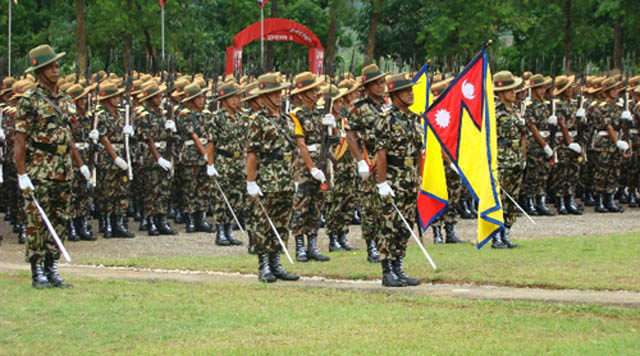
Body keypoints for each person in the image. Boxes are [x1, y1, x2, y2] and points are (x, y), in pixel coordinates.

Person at [15, 44, 92, 288]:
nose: (57, 70)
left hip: (63, 168)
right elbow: (20, 140)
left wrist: (80, 166)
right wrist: (22, 174)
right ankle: (37, 270)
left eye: (57, 65)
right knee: (37, 221)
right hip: (40, 169)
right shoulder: (29, 100)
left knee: (59, 219)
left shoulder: (66, 99)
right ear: (40, 71)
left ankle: (52, 267)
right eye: (51, 66)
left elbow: (69, 139)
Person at [246, 73, 299, 283]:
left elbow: (292, 150)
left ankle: (276, 262)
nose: (278, 96)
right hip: (267, 177)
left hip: (285, 177)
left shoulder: (286, 120)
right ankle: (264, 265)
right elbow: (252, 153)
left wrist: (294, 174)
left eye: (279, 92)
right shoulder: (257, 121)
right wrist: (251, 182)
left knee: (281, 223)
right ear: (263, 96)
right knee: (263, 223)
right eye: (273, 93)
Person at [374, 73, 423, 287]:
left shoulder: (413, 118)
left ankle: (398, 267)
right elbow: (381, 154)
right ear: (395, 94)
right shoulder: (386, 119)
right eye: (406, 90)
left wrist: (419, 177)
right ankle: (387, 271)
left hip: (410, 179)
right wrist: (382, 182)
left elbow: (418, 151)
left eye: (411, 90)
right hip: (393, 178)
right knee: (389, 225)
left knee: (405, 226)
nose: (411, 94)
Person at [345, 64, 389, 263]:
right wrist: (360, 161)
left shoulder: (388, 106)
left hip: (386, 160)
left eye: (382, 82)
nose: (381, 86)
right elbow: (351, 135)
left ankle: (384, 243)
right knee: (369, 207)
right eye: (377, 83)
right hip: (369, 160)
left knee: (386, 205)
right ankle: (371, 245)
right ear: (368, 86)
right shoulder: (359, 108)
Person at [288, 72, 332, 263]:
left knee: (317, 204)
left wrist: (333, 126)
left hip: (322, 161)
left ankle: (312, 245)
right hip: (304, 165)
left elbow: (330, 140)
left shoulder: (319, 114)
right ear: (302, 94)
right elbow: (301, 144)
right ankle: (299, 247)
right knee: (301, 205)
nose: (317, 93)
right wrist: (312, 167)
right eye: (312, 90)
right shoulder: (295, 115)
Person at [91, 81, 136, 238]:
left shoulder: (122, 114)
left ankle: (119, 223)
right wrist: (115, 157)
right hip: (107, 157)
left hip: (122, 153)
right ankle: (107, 223)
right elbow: (103, 138)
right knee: (107, 192)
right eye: (115, 96)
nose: (118, 99)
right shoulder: (101, 115)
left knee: (122, 191)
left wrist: (130, 131)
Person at [137, 81, 178, 236]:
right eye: (157, 96)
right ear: (150, 98)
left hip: (165, 153)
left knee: (164, 189)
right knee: (152, 190)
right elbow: (148, 139)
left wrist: (172, 130)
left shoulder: (164, 114)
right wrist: (158, 158)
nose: (160, 98)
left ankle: (162, 220)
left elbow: (169, 137)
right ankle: (151, 221)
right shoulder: (144, 115)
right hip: (151, 156)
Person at [176, 83, 215, 232]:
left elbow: (211, 136)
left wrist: (209, 154)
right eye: (198, 97)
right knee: (190, 187)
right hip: (192, 155)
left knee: (203, 187)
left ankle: (201, 218)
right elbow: (193, 135)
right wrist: (205, 154)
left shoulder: (206, 115)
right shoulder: (185, 115)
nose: (202, 99)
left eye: (202, 96)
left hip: (205, 153)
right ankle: (190, 219)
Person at [210, 81, 245, 246]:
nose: (236, 101)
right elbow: (211, 142)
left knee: (236, 197)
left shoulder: (240, 117)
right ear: (223, 99)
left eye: (237, 97)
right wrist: (210, 164)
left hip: (238, 161)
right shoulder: (217, 118)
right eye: (233, 97)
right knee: (222, 198)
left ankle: (230, 230)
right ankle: (220, 232)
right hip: (224, 160)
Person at [492, 71, 524, 249]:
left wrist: (523, 157)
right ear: (501, 91)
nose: (514, 93)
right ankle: (496, 236)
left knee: (512, 199)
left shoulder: (516, 110)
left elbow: (522, 135)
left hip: (516, 159)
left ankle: (506, 234)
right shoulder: (494, 111)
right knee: (500, 199)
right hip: (501, 160)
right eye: (510, 90)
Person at [66, 84, 97, 241]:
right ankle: (70, 225)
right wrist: (80, 164)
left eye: (85, 98)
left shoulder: (89, 118)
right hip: (72, 159)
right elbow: (70, 142)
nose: (84, 101)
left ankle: (82, 224)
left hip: (86, 156)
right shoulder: (70, 119)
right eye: (81, 99)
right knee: (72, 193)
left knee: (85, 193)